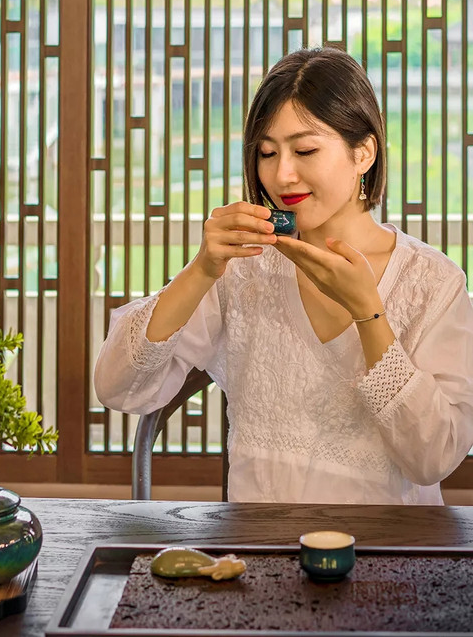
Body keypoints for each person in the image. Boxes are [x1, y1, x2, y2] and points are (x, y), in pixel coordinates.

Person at [94, 46, 473, 503]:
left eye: (305, 149)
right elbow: (117, 387)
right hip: (257, 551)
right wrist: (202, 269)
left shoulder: (433, 282)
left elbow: (433, 458)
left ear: (364, 153)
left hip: (387, 554)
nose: (282, 174)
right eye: (267, 153)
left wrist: (369, 313)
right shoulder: (244, 266)